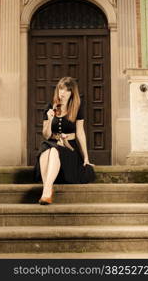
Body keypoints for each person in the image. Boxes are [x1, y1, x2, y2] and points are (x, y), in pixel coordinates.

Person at [34, 76, 96, 205]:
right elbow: (46, 135)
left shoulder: (77, 108)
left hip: (69, 148)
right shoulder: (50, 107)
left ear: (72, 93)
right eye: (61, 89)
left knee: (53, 151)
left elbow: (80, 132)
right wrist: (49, 119)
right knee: (47, 150)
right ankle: (47, 191)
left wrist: (86, 157)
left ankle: (46, 190)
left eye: (67, 90)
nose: (62, 93)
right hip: (51, 142)